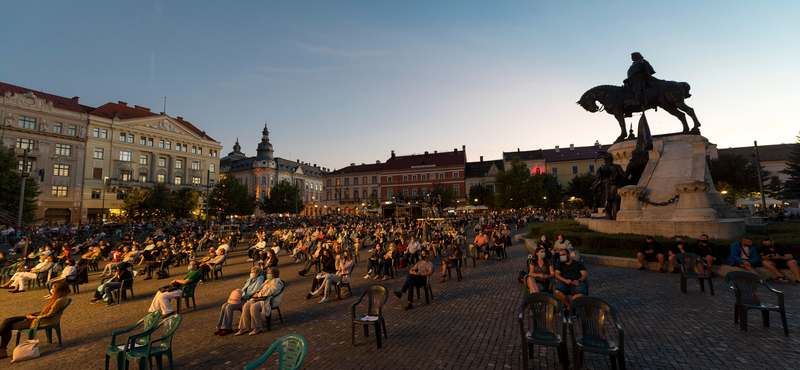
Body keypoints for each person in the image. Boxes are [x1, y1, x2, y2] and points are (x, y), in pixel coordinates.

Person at [0, 281, 70, 359]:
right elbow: (49, 313)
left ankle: (2, 351)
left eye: (53, 289)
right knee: (8, 321)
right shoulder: (62, 298)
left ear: (59, 290)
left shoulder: (58, 301)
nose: (52, 290)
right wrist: (35, 315)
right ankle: (2, 351)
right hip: (40, 318)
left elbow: (50, 315)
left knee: (8, 324)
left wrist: (34, 317)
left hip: (41, 321)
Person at [214, 267, 264, 336]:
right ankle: (221, 327)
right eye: (251, 272)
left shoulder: (259, 280)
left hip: (246, 299)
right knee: (224, 305)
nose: (251, 273)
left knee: (229, 307)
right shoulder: (250, 279)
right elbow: (244, 289)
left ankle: (228, 328)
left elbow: (254, 291)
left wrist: (243, 297)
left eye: (253, 272)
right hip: (241, 298)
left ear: (257, 273)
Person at [236, 267, 284, 336]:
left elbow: (270, 291)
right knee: (246, 305)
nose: (268, 274)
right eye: (268, 273)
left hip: (268, 300)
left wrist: (259, 294)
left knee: (253, 307)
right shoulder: (267, 280)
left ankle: (258, 327)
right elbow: (260, 288)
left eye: (270, 273)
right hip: (261, 298)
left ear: (274, 274)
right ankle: (244, 327)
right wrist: (257, 293)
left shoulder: (277, 282)